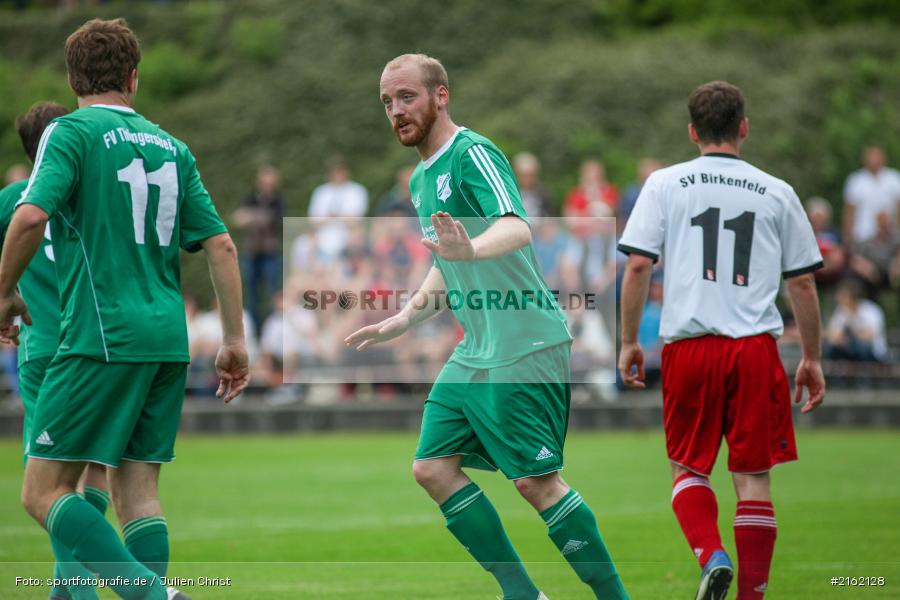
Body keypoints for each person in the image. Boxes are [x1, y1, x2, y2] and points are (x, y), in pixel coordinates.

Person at [346, 53, 628, 600]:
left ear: (441, 95)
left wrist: (471, 247)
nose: (396, 111)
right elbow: (447, 260)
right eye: (387, 102)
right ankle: (521, 593)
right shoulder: (424, 176)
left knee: (536, 483)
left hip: (523, 341)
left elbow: (516, 228)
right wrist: (405, 317)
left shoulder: (472, 153)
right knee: (431, 468)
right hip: (477, 347)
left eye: (407, 97)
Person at [0, 19, 249, 600]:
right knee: (136, 492)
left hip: (101, 336)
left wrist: (4, 292)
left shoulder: (70, 132)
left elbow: (31, 217)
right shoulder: (174, 147)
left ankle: (154, 595)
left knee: (42, 492)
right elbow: (222, 244)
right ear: (134, 78)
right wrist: (234, 340)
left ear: (72, 77)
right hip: (168, 338)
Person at [618, 81, 826, 600]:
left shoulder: (665, 183)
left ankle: (711, 556)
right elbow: (801, 281)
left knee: (688, 466)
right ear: (744, 128)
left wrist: (628, 341)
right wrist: (813, 358)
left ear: (692, 132)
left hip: (689, 347)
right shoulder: (778, 191)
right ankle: (751, 596)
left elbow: (640, 263)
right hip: (755, 347)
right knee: (753, 477)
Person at [1, 101, 113, 600]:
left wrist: (8, 298)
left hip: (41, 348)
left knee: (48, 485)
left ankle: (75, 594)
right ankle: (70, 592)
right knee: (90, 474)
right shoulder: (96, 191)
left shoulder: (12, 200)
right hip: (95, 345)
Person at [231, 164, 284, 327]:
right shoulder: (250, 198)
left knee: (273, 291)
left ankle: (274, 327)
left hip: (270, 253)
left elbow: (277, 220)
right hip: (252, 252)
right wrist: (262, 217)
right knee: (250, 294)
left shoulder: (278, 202)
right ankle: (253, 328)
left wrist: (251, 217)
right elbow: (237, 219)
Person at [842, 145, 900, 246]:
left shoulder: (894, 178)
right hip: (862, 236)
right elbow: (849, 212)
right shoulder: (855, 180)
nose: (874, 160)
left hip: (890, 237)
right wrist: (848, 237)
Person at [825, 278, 887, 362]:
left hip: (872, 355)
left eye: (843, 295)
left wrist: (851, 323)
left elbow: (869, 336)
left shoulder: (871, 310)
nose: (838, 298)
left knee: (861, 348)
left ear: (853, 296)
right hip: (848, 352)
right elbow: (832, 335)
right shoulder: (840, 311)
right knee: (830, 349)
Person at [513, 152, 554, 218]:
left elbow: (549, 216)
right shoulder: (511, 193)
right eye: (524, 175)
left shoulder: (543, 193)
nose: (527, 179)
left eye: (531, 175)